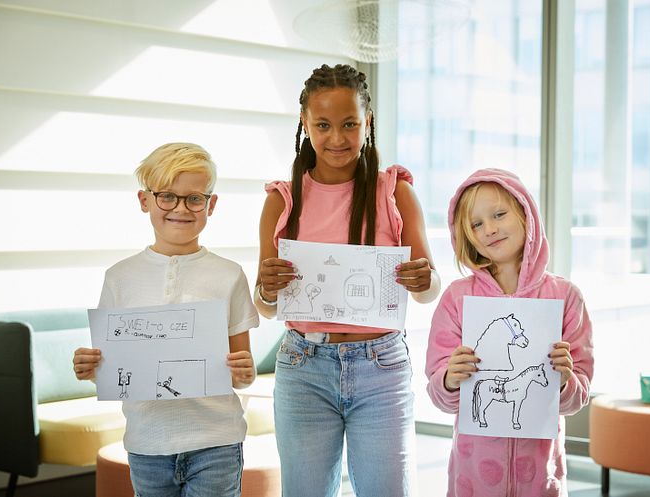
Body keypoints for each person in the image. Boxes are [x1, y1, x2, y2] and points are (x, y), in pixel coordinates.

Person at [254, 63, 441, 497]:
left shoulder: (394, 191)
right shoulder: (282, 200)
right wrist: (266, 288)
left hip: (382, 367)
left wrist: (423, 278)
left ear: (367, 122)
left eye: (349, 124)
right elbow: (265, 306)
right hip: (304, 366)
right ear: (305, 123)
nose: (336, 138)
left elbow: (431, 288)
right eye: (322, 125)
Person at [72, 143, 259, 497]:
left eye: (194, 198)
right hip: (146, 444)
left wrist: (244, 371)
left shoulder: (229, 275)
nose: (181, 208)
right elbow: (111, 367)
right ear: (145, 201)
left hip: (216, 442)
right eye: (167, 197)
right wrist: (88, 367)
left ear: (211, 205)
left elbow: (242, 374)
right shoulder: (119, 277)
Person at [425, 168, 593, 497]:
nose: (489, 229)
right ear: (466, 235)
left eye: (499, 214)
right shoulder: (457, 299)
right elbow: (438, 393)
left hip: (540, 475)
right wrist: (449, 378)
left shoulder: (566, 297)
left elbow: (579, 394)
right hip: (473, 477)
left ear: (525, 214)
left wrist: (563, 379)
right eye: (476, 224)